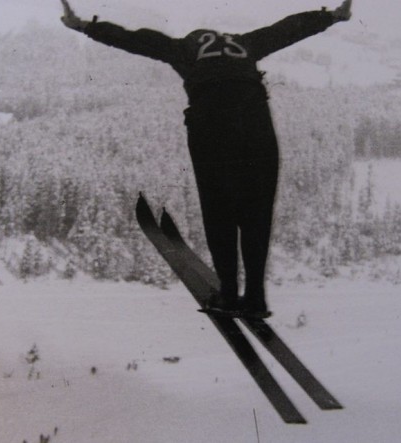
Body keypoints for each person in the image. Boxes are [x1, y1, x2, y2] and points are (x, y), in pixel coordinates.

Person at [61, 0, 352, 318]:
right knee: (256, 214)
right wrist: (330, 17)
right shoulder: (246, 43)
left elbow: (133, 39)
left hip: (211, 125)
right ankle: (256, 298)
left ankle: (228, 294)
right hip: (257, 124)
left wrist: (86, 26)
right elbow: (286, 29)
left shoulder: (182, 48)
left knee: (219, 211)